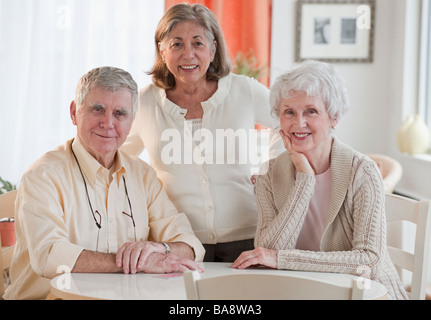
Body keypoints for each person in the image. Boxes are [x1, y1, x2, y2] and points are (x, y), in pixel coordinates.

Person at [4, 67, 204, 300]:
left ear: (131, 122)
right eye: (97, 109)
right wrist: (134, 263)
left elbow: (190, 244)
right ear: (74, 112)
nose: (108, 123)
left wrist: (162, 250)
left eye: (120, 113)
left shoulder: (142, 175)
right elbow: (49, 255)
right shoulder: (43, 175)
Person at [232, 60, 408, 300]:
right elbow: (267, 254)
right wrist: (304, 181)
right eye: (289, 112)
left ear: (333, 117)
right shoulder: (268, 175)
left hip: (370, 295)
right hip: (307, 293)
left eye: (311, 111)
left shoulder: (362, 172)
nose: (299, 123)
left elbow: (369, 260)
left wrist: (286, 260)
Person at [122, 3, 283, 262]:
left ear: (213, 48)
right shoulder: (145, 103)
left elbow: (286, 124)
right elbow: (116, 156)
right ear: (162, 51)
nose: (188, 55)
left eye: (197, 43)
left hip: (247, 236)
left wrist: (272, 171)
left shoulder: (244, 90)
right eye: (176, 44)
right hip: (178, 243)